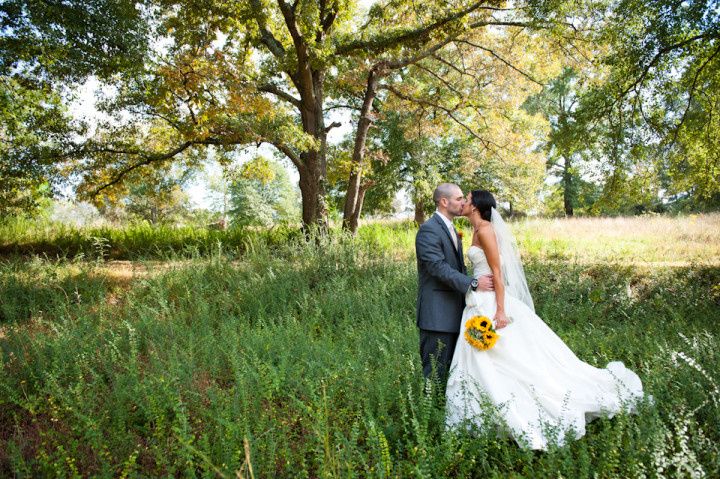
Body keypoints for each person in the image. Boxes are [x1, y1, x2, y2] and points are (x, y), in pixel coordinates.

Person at [445, 189, 645, 450]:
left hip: (491, 303)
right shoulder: (474, 231)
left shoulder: (485, 230)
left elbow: (497, 271)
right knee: (480, 358)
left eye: (467, 199)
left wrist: (501, 310)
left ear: (476, 206)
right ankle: (481, 411)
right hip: (476, 301)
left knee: (506, 357)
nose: (464, 202)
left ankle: (514, 409)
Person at [415, 183, 493, 383]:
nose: (463, 202)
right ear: (444, 201)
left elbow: (457, 268)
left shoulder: (451, 229)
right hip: (437, 315)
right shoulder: (428, 230)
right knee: (434, 373)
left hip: (456, 311)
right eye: (459, 199)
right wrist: (473, 283)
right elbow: (437, 267)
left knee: (452, 372)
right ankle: (430, 412)